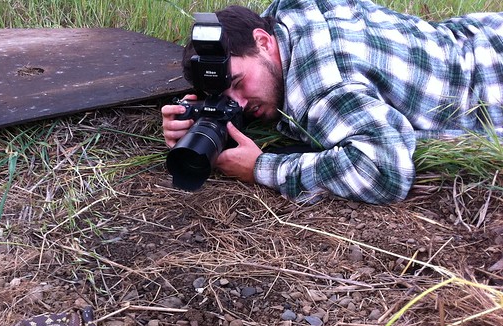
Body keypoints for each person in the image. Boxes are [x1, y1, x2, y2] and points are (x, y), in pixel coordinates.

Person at [161, 0, 503, 204]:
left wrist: (262, 169)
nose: (238, 102)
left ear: (263, 42)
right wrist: (203, 116)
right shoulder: (290, 13)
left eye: (237, 83)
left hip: (493, 84)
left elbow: (385, 170)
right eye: (224, 97)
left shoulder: (322, 86)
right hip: (480, 34)